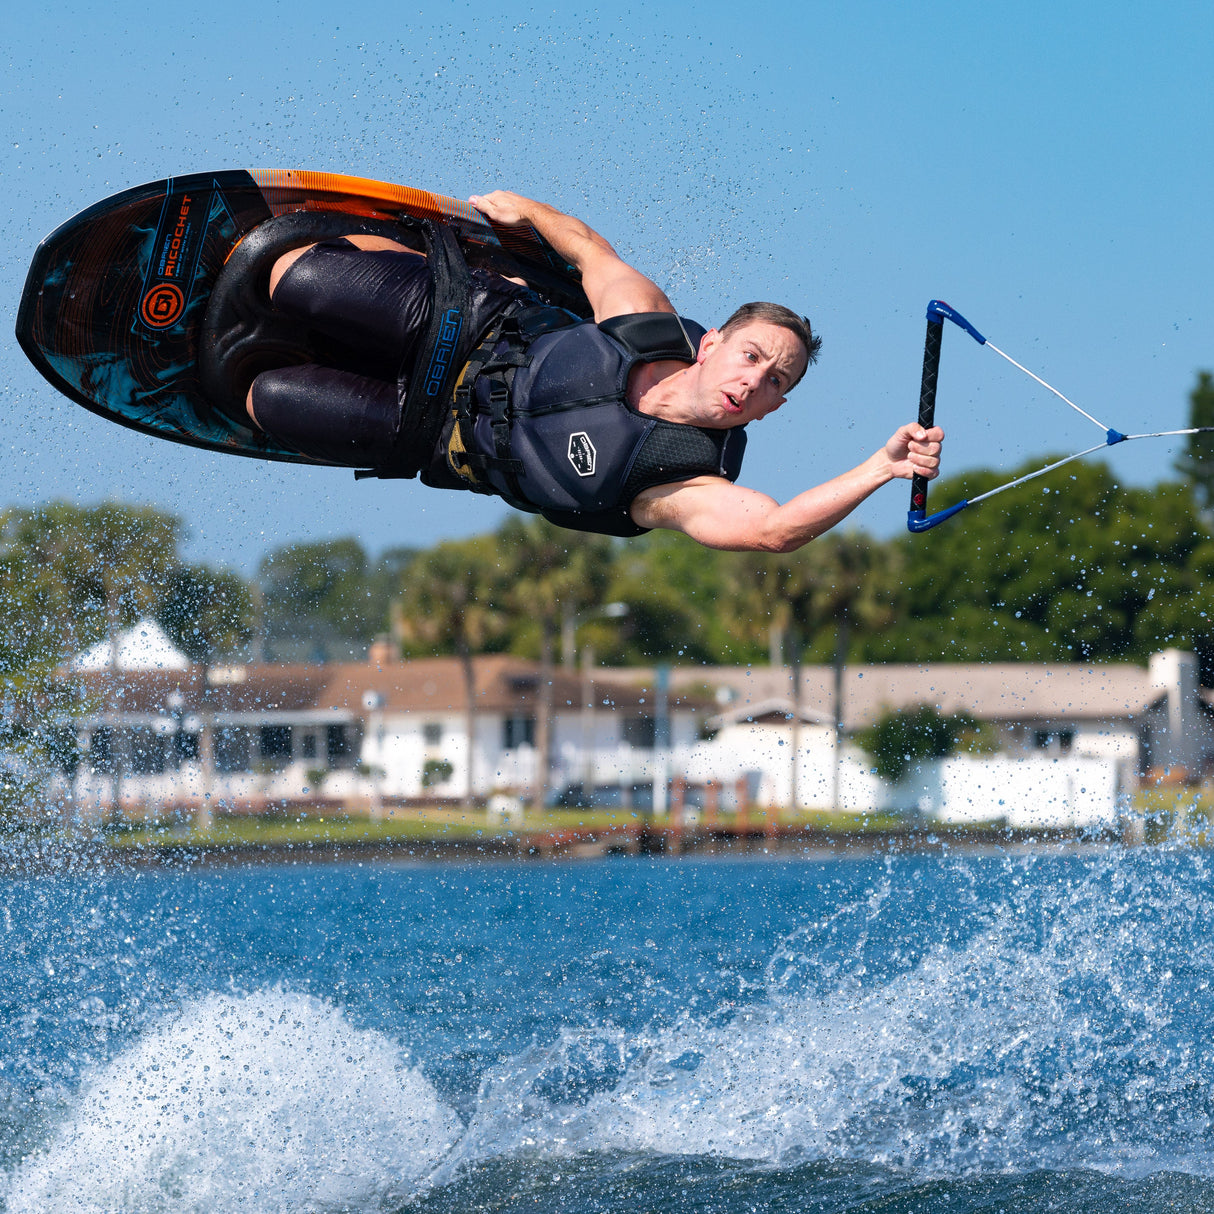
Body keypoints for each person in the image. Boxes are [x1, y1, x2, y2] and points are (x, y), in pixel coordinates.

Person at [242, 190, 944, 551]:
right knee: (286, 274)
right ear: (713, 346)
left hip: (436, 436)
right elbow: (587, 250)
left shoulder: (681, 481)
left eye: (776, 384)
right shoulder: (647, 321)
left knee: (260, 398)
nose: (755, 380)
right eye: (753, 356)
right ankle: (390, 256)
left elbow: (775, 529)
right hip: (470, 327)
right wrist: (525, 209)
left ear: (771, 411)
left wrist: (883, 467)